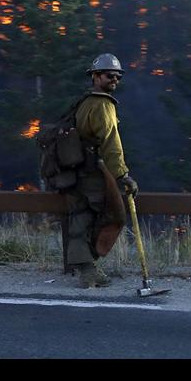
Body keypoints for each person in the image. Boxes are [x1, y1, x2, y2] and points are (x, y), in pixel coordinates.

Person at [66, 53, 139, 288]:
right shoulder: (103, 104)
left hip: (76, 171)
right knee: (107, 216)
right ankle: (88, 270)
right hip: (92, 173)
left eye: (118, 77)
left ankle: (87, 269)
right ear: (95, 77)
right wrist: (122, 175)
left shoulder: (85, 101)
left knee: (81, 217)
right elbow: (111, 143)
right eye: (110, 75)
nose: (115, 80)